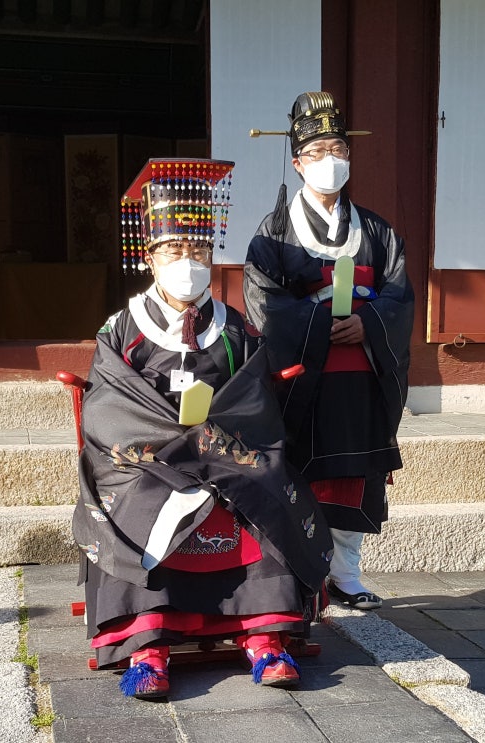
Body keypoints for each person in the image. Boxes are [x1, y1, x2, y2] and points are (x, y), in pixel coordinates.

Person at [72, 158, 333, 700]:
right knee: (137, 497)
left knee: (264, 483)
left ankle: (266, 638)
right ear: (150, 258)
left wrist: (215, 430)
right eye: (173, 252)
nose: (186, 262)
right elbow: (108, 401)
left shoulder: (234, 326)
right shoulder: (121, 329)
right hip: (145, 453)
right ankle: (148, 647)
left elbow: (253, 391)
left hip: (223, 447)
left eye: (197, 252)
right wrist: (170, 436)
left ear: (212, 257)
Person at [243, 92, 414, 611]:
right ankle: (298, 575)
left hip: (361, 370)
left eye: (337, 147)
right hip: (302, 376)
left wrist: (367, 323)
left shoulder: (378, 231)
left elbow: (400, 294)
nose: (330, 159)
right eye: (316, 151)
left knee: (353, 475)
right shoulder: (272, 233)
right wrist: (319, 323)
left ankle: (346, 575)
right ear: (297, 163)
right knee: (301, 473)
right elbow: (263, 303)